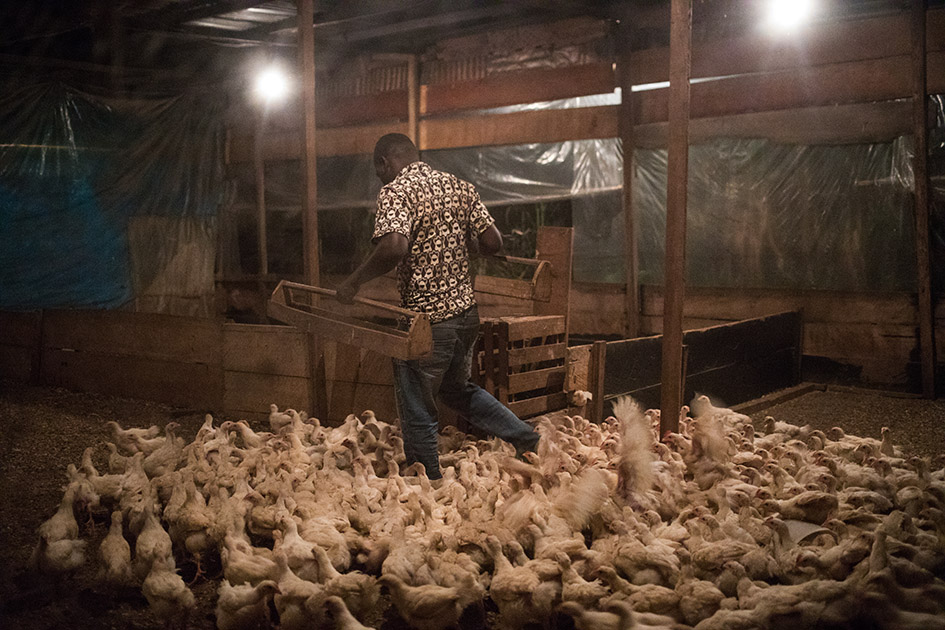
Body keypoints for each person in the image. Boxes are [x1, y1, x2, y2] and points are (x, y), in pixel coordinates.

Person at [336, 133, 540, 480]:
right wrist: (460, 243)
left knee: (417, 402)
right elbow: (493, 242)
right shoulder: (459, 186)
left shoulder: (396, 191)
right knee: (456, 389)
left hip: (428, 321)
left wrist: (354, 280)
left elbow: (394, 248)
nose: (380, 179)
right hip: (466, 316)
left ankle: (426, 480)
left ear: (384, 162)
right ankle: (527, 437)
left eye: (378, 171)